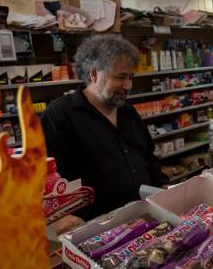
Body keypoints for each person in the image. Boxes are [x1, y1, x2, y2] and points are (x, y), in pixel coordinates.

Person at [42, 35, 168, 221]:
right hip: (93, 228)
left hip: (143, 218)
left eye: (130, 77)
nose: (128, 85)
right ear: (94, 74)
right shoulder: (60, 115)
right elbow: (46, 178)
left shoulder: (129, 113)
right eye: (121, 77)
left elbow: (148, 158)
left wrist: (164, 188)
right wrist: (60, 217)